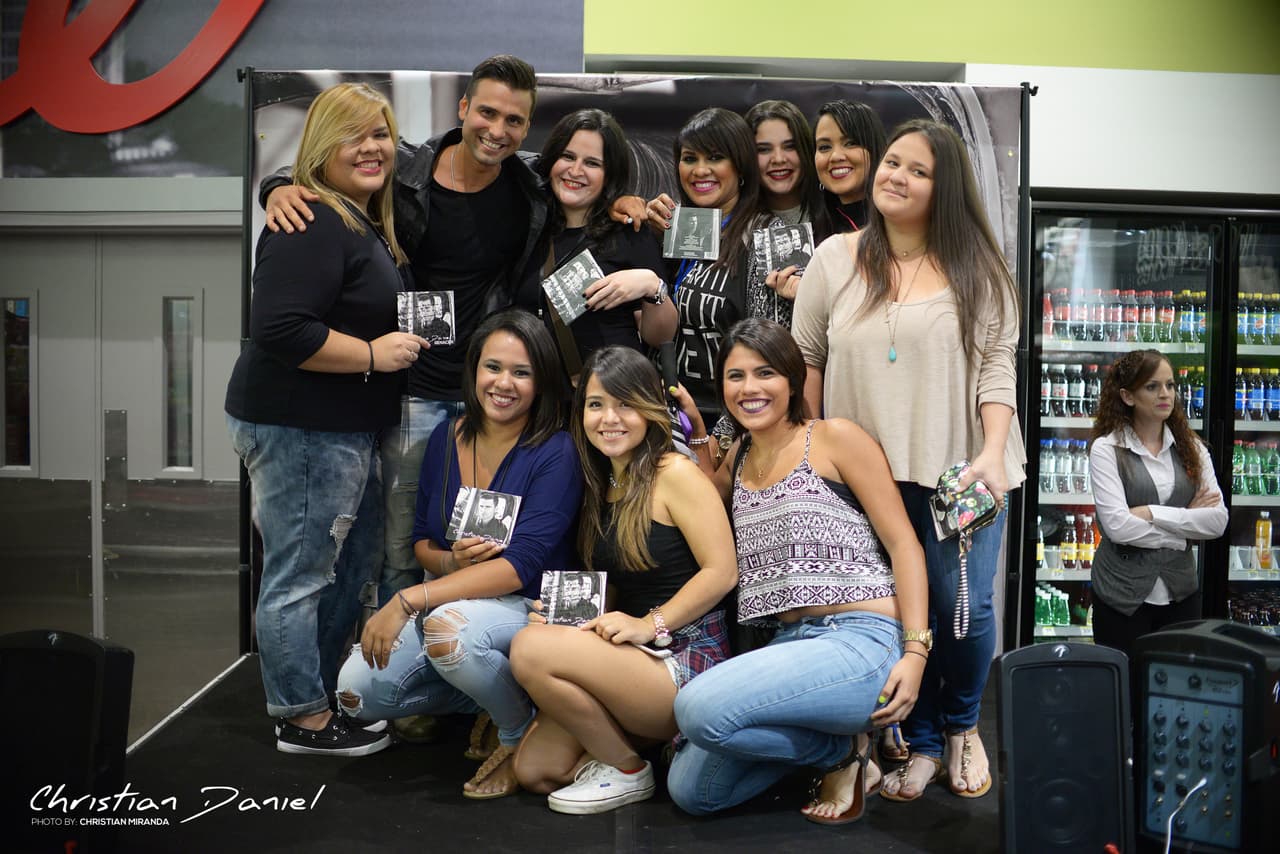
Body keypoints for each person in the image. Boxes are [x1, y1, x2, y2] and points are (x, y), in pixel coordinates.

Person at [792, 119, 1025, 802]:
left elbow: (996, 368)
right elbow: (808, 357)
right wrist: (812, 448)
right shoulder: (835, 259)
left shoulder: (979, 266)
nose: (895, 176)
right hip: (866, 476)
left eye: (917, 170)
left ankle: (961, 727)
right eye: (892, 162)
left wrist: (988, 452)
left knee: (964, 612)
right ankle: (919, 746)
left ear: (943, 188)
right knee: (898, 614)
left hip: (961, 476)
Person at [225, 82, 426, 756]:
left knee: (349, 567)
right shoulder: (309, 217)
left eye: (380, 134)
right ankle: (300, 716)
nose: (371, 148)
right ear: (321, 146)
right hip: (301, 428)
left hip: (342, 430)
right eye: (354, 135)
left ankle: (312, 696)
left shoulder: (356, 215)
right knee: (301, 573)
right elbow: (281, 328)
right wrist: (372, 352)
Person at [664, 318, 928, 823]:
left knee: (697, 709)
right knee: (692, 790)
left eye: (765, 373)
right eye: (735, 376)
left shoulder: (833, 438)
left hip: (861, 640)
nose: (750, 389)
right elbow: (704, 494)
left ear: (791, 380)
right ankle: (841, 753)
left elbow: (905, 546)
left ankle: (844, 748)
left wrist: (916, 651)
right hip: (791, 643)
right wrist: (699, 433)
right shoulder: (739, 457)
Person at [336, 309, 583, 799]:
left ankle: (517, 736)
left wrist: (407, 601)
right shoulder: (447, 437)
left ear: (542, 381)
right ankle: (493, 701)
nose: (503, 383)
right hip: (459, 604)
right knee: (355, 694)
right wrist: (452, 563)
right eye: (493, 367)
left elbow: (519, 569)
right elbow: (424, 542)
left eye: (522, 372)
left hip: (532, 609)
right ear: (473, 370)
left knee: (447, 630)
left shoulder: (557, 449)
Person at [510, 346, 736, 815]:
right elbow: (613, 587)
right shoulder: (600, 481)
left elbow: (722, 573)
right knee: (536, 770)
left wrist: (648, 624)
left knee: (530, 648)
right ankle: (634, 754)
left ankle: (630, 772)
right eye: (596, 405)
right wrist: (567, 620)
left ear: (650, 409)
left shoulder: (674, 473)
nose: (609, 418)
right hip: (632, 657)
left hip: (687, 659)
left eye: (624, 404)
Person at [1088, 349, 1226, 663]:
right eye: (1152, 387)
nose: (1165, 394)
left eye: (1170, 385)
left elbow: (1217, 521)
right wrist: (1185, 529)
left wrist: (1152, 513)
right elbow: (1118, 527)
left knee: (1174, 690)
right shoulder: (1107, 449)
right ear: (1127, 396)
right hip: (1120, 596)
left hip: (1181, 595)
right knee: (1125, 691)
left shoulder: (1192, 448)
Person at [644, 108, 771, 438]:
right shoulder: (674, 228)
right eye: (689, 158)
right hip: (666, 415)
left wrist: (725, 437)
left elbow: (773, 355)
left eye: (715, 157)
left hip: (733, 424)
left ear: (740, 165)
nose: (700, 170)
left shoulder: (765, 236)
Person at [536, 109, 677, 376]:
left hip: (609, 397)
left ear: (609, 173)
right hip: (538, 401)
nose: (575, 171)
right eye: (567, 156)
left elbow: (659, 337)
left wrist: (651, 285)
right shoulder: (531, 224)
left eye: (592, 163)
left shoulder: (628, 231)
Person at [743, 100, 832, 326]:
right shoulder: (731, 222)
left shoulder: (836, 217)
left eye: (790, 146)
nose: (779, 159)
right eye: (763, 149)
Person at [813, 100, 887, 234]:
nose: (835, 156)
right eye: (824, 147)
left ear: (874, 148)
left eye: (850, 143)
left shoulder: (903, 221)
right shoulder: (813, 233)